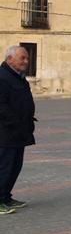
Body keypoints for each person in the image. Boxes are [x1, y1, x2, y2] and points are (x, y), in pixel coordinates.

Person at [0, 45, 35, 213]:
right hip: (6, 132)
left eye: (27, 58)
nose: (26, 61)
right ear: (10, 59)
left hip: (20, 132)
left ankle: (6, 197)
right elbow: (1, 106)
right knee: (4, 166)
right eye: (22, 58)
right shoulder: (2, 77)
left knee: (15, 166)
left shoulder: (19, 77)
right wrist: (15, 122)